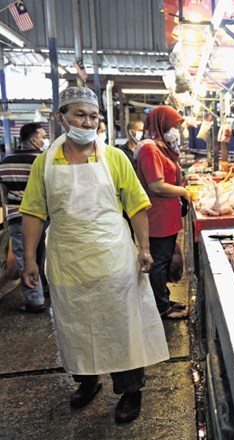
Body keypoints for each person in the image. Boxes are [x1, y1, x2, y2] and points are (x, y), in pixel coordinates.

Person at [19, 87, 169, 424]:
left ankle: (130, 391)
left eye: (93, 116)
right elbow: (32, 213)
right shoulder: (45, 163)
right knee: (75, 326)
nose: (88, 122)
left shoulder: (115, 157)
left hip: (111, 255)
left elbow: (137, 206)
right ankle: (87, 382)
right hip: (68, 259)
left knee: (121, 325)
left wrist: (144, 247)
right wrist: (29, 259)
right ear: (61, 118)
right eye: (80, 115)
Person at [135, 105, 190, 320]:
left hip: (167, 215)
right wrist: (183, 191)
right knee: (158, 263)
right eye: (174, 125)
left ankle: (164, 300)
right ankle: (161, 308)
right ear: (161, 124)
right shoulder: (150, 149)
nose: (176, 130)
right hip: (156, 216)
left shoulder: (161, 147)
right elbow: (156, 186)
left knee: (164, 260)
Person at [0, 122, 49, 313]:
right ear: (33, 139)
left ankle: (34, 299)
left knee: (24, 258)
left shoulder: (5, 162)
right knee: (39, 255)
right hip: (42, 216)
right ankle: (40, 294)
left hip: (17, 216)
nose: (44, 140)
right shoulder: (43, 160)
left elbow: (3, 193)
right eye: (42, 136)